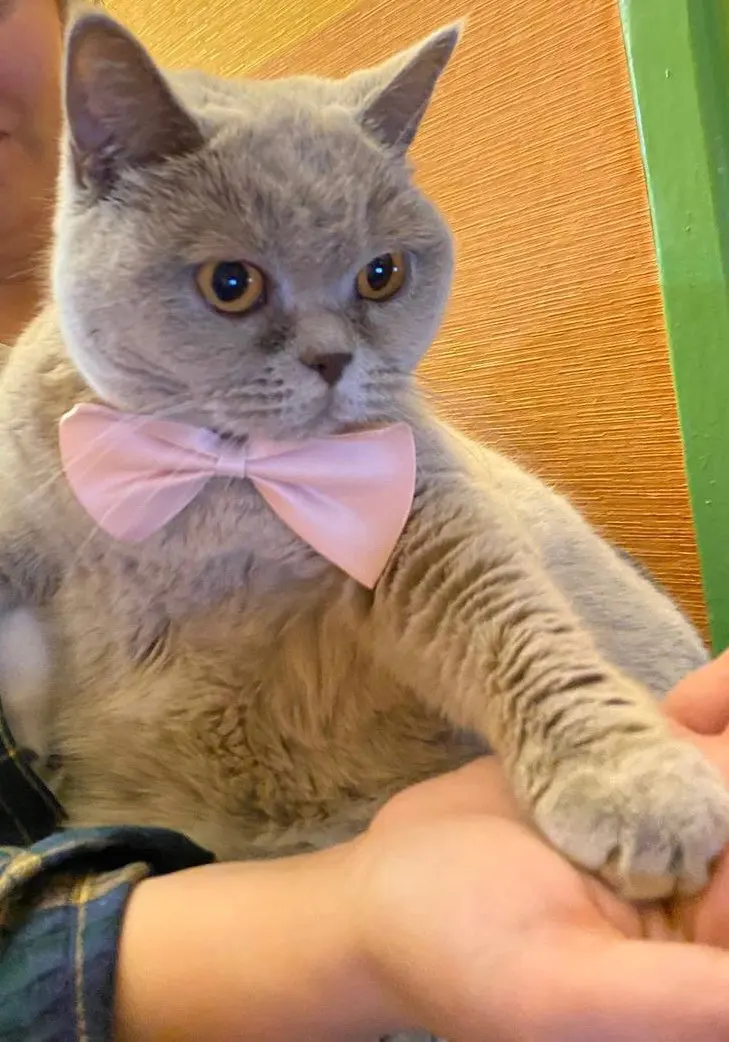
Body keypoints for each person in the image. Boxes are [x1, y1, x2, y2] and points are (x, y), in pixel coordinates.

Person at [4, 2, 729, 1040]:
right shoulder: (34, 422)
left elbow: (452, 566)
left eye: (377, 279)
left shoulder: (373, 431)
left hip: (512, 879)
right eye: (232, 284)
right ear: (106, 165)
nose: (330, 353)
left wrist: (580, 735)